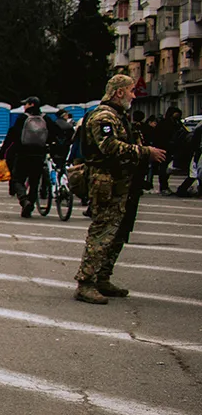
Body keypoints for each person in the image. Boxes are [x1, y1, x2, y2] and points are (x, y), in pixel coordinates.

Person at [74, 74, 166, 304]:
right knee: (102, 232)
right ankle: (86, 282)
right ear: (119, 92)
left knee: (118, 232)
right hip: (106, 182)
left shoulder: (119, 116)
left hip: (123, 183)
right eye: (131, 90)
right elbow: (109, 146)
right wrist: (145, 152)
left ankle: (102, 277)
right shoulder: (103, 116)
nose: (134, 95)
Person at [0, 97, 49, 217]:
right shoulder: (45, 118)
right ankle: (30, 205)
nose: (24, 106)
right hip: (39, 154)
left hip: (23, 154)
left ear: (31, 104)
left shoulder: (23, 118)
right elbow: (54, 132)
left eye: (25, 104)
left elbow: (12, 134)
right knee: (34, 182)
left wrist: (3, 151)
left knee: (17, 179)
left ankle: (24, 200)